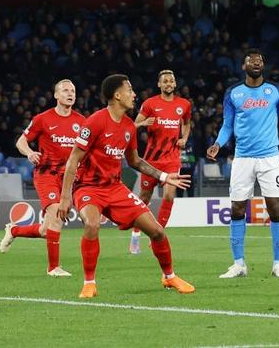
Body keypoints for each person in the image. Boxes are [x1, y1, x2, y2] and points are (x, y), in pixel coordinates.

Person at [57, 74, 194, 298]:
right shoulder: (95, 121)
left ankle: (169, 276)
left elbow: (135, 161)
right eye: (129, 90)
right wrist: (65, 198)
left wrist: (163, 176)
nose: (134, 94)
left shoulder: (129, 126)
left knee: (157, 232)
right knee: (92, 224)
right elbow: (73, 159)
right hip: (88, 188)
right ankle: (89, 283)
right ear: (117, 95)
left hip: (115, 188)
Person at [207, 49, 279, 279]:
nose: (256, 63)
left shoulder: (276, 90)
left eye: (260, 60)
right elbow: (227, 125)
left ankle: (278, 264)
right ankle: (238, 264)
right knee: (237, 208)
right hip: (242, 158)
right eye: (251, 60)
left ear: (263, 66)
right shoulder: (233, 92)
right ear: (243, 66)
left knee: (275, 208)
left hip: (270, 158)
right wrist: (217, 143)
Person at [1, 79, 85, 277]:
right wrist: (30, 153)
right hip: (46, 174)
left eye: (73, 91)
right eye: (65, 90)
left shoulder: (82, 122)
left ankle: (14, 231)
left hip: (68, 178)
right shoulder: (42, 119)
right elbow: (21, 141)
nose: (70, 94)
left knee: (46, 230)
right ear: (56, 95)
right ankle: (53, 268)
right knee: (57, 214)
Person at [129, 70, 192, 254]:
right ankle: (135, 235)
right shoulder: (150, 104)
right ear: (159, 84)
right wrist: (143, 123)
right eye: (165, 81)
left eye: (171, 81)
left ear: (175, 84)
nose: (168, 84)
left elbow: (187, 123)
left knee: (169, 195)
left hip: (172, 160)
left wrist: (184, 138)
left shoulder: (184, 104)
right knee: (144, 198)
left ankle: (158, 236)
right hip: (151, 161)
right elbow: (132, 125)